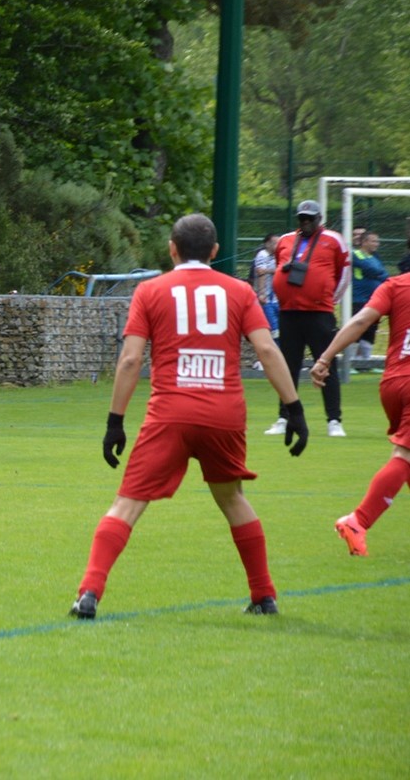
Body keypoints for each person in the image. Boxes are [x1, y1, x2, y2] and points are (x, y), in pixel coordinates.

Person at [69, 214, 308, 620]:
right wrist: (294, 408)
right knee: (232, 499)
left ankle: (89, 593)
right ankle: (264, 594)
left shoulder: (150, 290)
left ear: (172, 248)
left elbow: (130, 360)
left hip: (170, 414)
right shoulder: (240, 291)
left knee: (127, 504)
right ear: (214, 252)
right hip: (224, 412)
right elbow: (268, 351)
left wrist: (115, 421)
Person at [310, 274, 410, 556]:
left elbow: (361, 321)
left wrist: (325, 357)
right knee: (404, 456)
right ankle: (358, 521)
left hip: (393, 383)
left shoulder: (396, 285)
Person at [264, 200, 350, 438]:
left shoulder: (333, 240)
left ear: (318, 219)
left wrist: (328, 300)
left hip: (319, 313)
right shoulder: (285, 240)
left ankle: (334, 420)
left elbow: (344, 272)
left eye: (310, 218)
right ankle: (284, 417)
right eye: (302, 218)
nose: (305, 222)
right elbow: (279, 267)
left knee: (326, 364)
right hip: (289, 313)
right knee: (286, 366)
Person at [350, 231, 387, 362]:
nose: (376, 244)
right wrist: (379, 273)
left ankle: (366, 361)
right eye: (373, 241)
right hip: (359, 299)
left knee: (371, 329)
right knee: (357, 329)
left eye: (377, 241)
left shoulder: (375, 257)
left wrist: (379, 274)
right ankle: (352, 361)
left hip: (374, 299)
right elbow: (373, 270)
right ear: (364, 242)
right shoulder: (355, 254)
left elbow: (384, 274)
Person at [251, 232, 280, 337]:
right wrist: (262, 293)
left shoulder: (277, 256)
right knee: (274, 328)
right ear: (267, 243)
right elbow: (260, 272)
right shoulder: (263, 255)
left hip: (276, 299)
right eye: (274, 243)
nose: (277, 246)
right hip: (267, 298)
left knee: (279, 327)